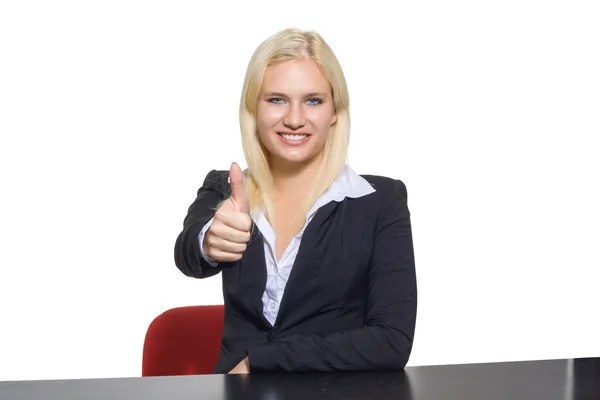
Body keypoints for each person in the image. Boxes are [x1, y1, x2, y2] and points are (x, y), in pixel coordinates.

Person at [174, 27, 417, 374]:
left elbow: (391, 341)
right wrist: (209, 241)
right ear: (253, 109)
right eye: (276, 99)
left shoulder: (380, 202)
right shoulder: (227, 188)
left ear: (335, 110)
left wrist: (260, 361)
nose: (294, 118)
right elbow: (187, 254)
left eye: (313, 100)